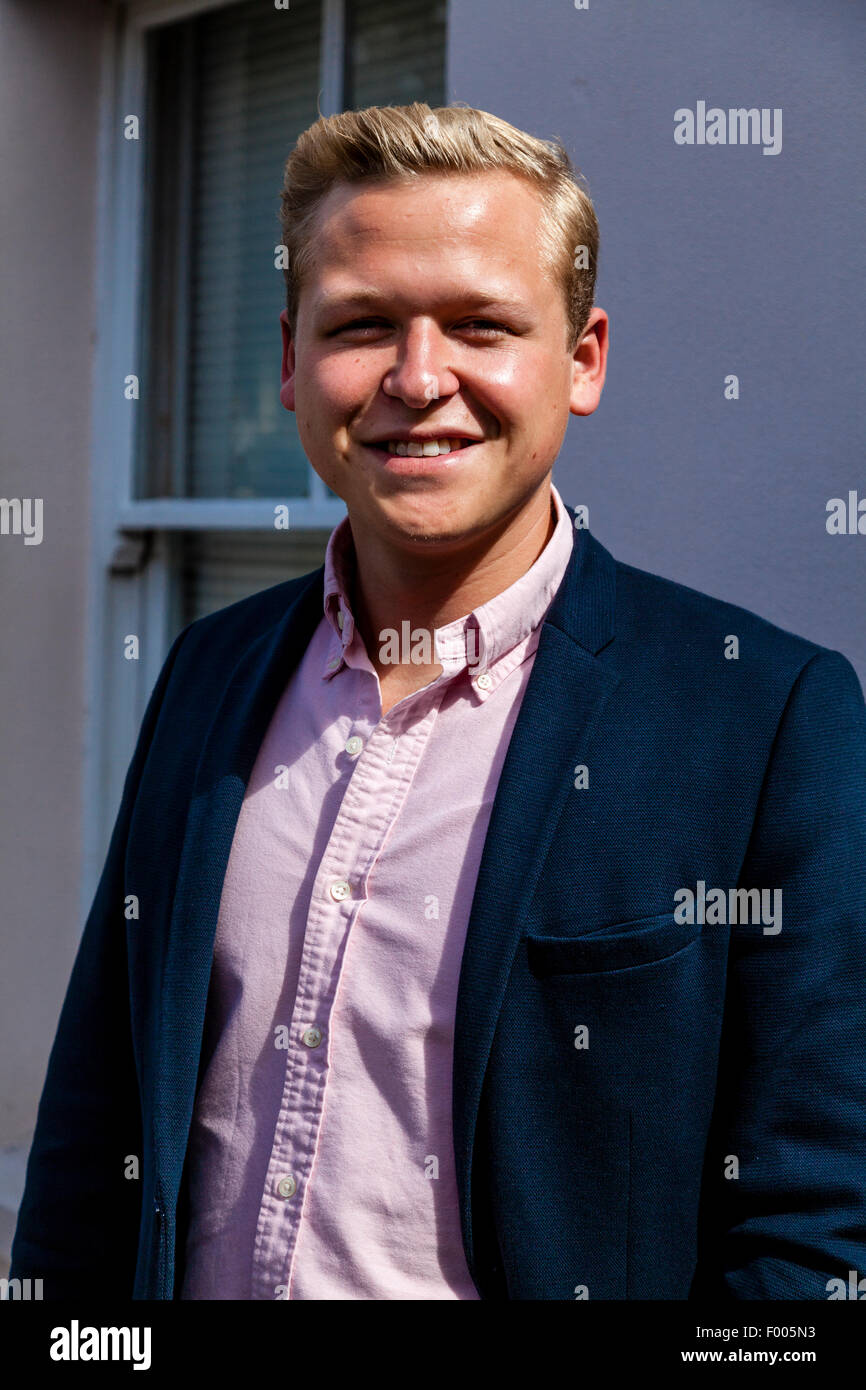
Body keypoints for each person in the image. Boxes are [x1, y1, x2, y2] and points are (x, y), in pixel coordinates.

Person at [11, 102, 866, 1301]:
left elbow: (812, 1229)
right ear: (290, 360)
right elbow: (95, 1124)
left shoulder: (762, 719)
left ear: (580, 359)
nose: (419, 379)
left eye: (478, 325)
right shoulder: (209, 672)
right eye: (361, 325)